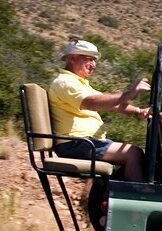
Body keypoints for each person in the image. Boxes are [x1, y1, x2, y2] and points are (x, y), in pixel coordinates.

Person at [48, 39, 150, 182]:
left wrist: (138, 111)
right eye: (89, 59)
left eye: (94, 60)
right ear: (72, 58)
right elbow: (91, 103)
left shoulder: (79, 83)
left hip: (84, 143)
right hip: (76, 144)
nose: (93, 65)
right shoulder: (65, 82)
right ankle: (137, 197)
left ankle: (110, 196)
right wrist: (129, 93)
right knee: (133, 153)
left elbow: (110, 104)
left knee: (132, 157)